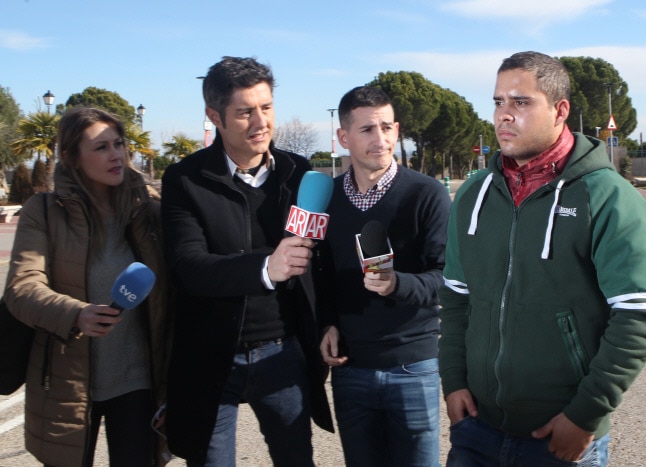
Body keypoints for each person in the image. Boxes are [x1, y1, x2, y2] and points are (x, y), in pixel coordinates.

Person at [438, 51, 646, 466]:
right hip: (476, 430)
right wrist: (453, 381)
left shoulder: (608, 197)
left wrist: (585, 415)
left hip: (562, 436)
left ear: (560, 110)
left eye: (520, 102)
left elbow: (639, 317)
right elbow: (456, 299)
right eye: (498, 102)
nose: (504, 115)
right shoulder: (473, 194)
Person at [160, 56, 333, 467]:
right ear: (214, 115)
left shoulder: (299, 172)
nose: (261, 122)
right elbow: (188, 267)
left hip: (284, 354)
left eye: (267, 107)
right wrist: (265, 268)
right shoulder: (183, 179)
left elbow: (322, 264)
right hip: (212, 357)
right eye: (245, 112)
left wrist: (328, 323)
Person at [4, 107, 171, 467]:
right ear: (72, 157)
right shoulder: (44, 211)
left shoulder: (149, 209)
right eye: (100, 147)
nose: (116, 155)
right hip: (68, 383)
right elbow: (22, 286)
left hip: (138, 382)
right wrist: (76, 313)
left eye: (119, 144)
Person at [318, 85, 451, 467]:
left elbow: (446, 277)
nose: (381, 139)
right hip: (351, 369)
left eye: (388, 128)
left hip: (414, 365)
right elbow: (321, 274)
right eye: (367, 130)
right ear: (343, 137)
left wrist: (398, 284)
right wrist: (325, 322)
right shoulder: (325, 199)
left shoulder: (426, 194)